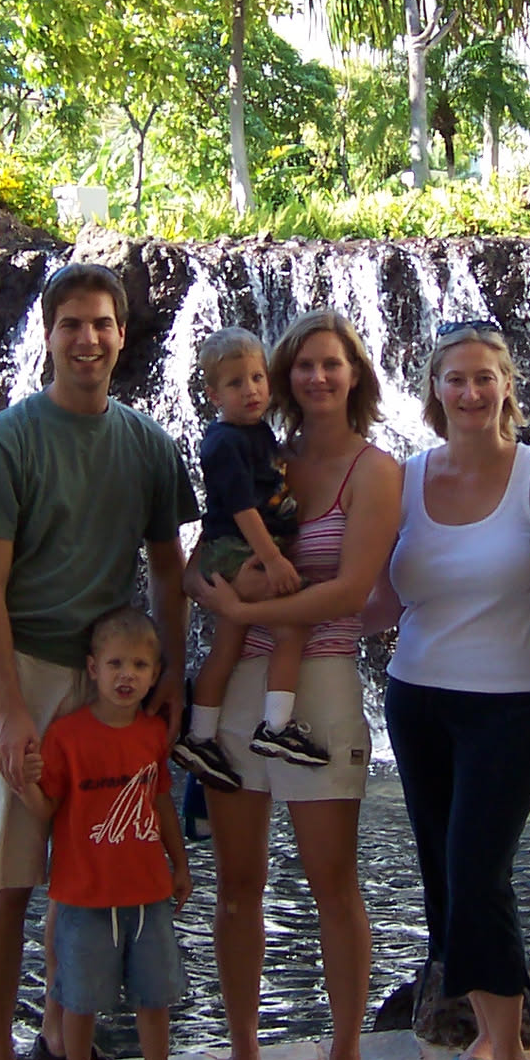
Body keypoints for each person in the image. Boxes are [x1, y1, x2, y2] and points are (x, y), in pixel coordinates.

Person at [0, 263, 200, 1060]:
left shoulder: (148, 444)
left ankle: (60, 1046)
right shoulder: (7, 442)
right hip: (18, 670)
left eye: (102, 324)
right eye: (71, 324)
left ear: (122, 335)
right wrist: (11, 709)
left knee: (90, 874)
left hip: (108, 685)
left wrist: (171, 673)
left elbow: (169, 570)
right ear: (48, 335)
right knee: (7, 876)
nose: (88, 339)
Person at [185, 309, 403, 1060]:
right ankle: (245, 1057)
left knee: (332, 883)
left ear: (355, 374)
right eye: (303, 365)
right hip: (238, 686)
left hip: (321, 681)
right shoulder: (258, 456)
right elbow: (201, 560)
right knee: (236, 884)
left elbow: (349, 591)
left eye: (331, 363)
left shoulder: (375, 471)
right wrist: (208, 590)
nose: (317, 377)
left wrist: (242, 612)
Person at [364, 321, 530, 1060]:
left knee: (479, 871)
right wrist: (279, 612)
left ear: (506, 385)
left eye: (485, 378)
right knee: (446, 878)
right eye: (457, 379)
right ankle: (487, 1037)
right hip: (417, 699)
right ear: (434, 389)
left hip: (512, 704)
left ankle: (512, 1053)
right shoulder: (404, 479)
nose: (472, 392)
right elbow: (379, 600)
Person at [15, 607, 194, 1060]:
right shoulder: (66, 736)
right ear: (93, 669)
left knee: (154, 994)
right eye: (115, 664)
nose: (126, 676)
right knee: (78, 997)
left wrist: (180, 865)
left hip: (148, 894)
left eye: (139, 665)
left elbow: (162, 802)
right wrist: (24, 783)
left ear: (154, 675)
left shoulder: (152, 734)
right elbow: (48, 808)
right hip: (83, 895)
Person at [176, 327, 323, 792]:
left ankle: (199, 737)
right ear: (213, 394)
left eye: (258, 378)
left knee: (228, 643)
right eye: (236, 383)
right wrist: (274, 559)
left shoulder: (256, 432)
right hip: (239, 550)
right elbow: (241, 510)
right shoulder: (224, 443)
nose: (251, 390)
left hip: (236, 549)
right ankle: (277, 727)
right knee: (292, 625)